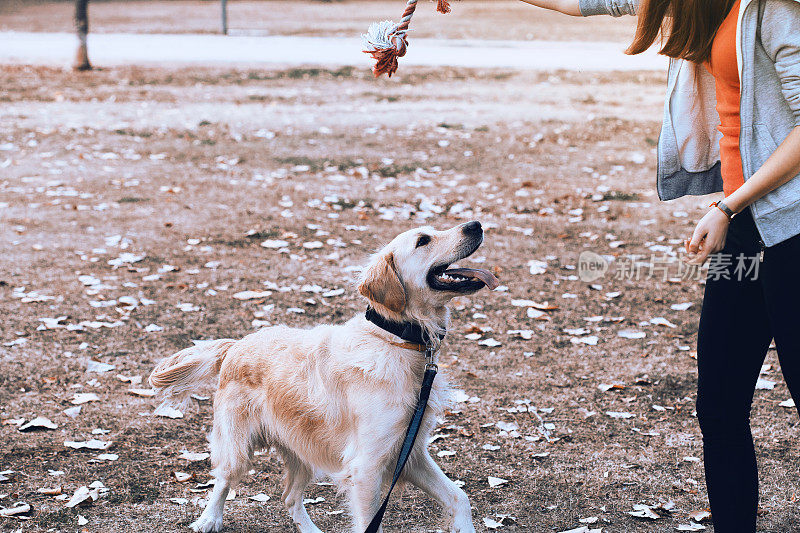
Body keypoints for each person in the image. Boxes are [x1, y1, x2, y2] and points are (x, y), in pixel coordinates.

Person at [518, 0, 800, 530]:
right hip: (746, 224)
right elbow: (586, 1)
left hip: (792, 228)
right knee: (718, 408)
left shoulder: (773, 9)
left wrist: (726, 205)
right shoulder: (694, 3)